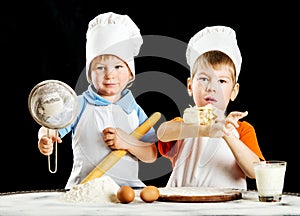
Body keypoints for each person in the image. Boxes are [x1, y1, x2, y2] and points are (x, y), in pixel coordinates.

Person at [37, 12, 158, 189]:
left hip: (128, 191)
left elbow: (151, 154)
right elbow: (49, 128)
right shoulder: (78, 105)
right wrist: (45, 139)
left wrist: (126, 143)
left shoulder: (134, 110)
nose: (110, 75)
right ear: (89, 74)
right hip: (84, 189)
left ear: (130, 72)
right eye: (100, 68)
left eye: (118, 66)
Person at [157, 26, 265, 190]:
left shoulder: (242, 129)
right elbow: (163, 133)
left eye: (221, 81)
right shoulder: (183, 124)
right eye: (204, 79)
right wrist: (204, 130)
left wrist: (225, 133)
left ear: (234, 91)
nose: (212, 87)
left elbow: (255, 171)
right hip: (182, 207)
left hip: (229, 209)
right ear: (190, 86)